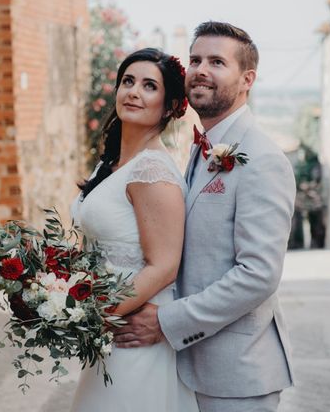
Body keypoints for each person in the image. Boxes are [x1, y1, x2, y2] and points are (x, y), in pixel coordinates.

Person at [114, 22, 296, 412]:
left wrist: (167, 321)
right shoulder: (200, 148)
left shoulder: (262, 159)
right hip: (185, 366)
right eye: (196, 59)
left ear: (247, 79)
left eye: (217, 62)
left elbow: (258, 274)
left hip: (235, 373)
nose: (201, 70)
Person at [69, 48, 199, 412]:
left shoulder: (152, 171)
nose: (134, 92)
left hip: (131, 332)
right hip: (108, 331)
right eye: (128, 81)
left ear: (170, 105)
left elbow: (164, 266)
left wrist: (93, 314)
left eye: (149, 86)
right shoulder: (110, 164)